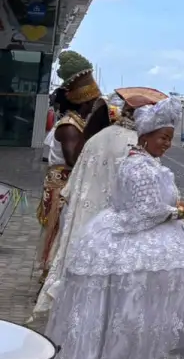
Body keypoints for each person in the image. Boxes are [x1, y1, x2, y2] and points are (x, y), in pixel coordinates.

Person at [45, 97, 184, 359]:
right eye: (163, 137)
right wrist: (183, 213)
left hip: (128, 228)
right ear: (145, 136)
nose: (167, 144)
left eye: (170, 138)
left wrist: (175, 208)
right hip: (133, 231)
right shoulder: (139, 166)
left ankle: (137, 358)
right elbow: (144, 213)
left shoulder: (145, 162)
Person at [34, 87, 167, 317]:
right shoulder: (137, 144)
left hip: (85, 215)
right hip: (116, 223)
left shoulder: (98, 137)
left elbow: (75, 178)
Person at [38, 51, 102, 278]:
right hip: (62, 188)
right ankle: (51, 277)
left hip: (67, 186)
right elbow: (74, 159)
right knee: (59, 231)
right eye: (94, 102)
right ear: (86, 102)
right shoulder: (69, 126)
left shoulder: (77, 122)